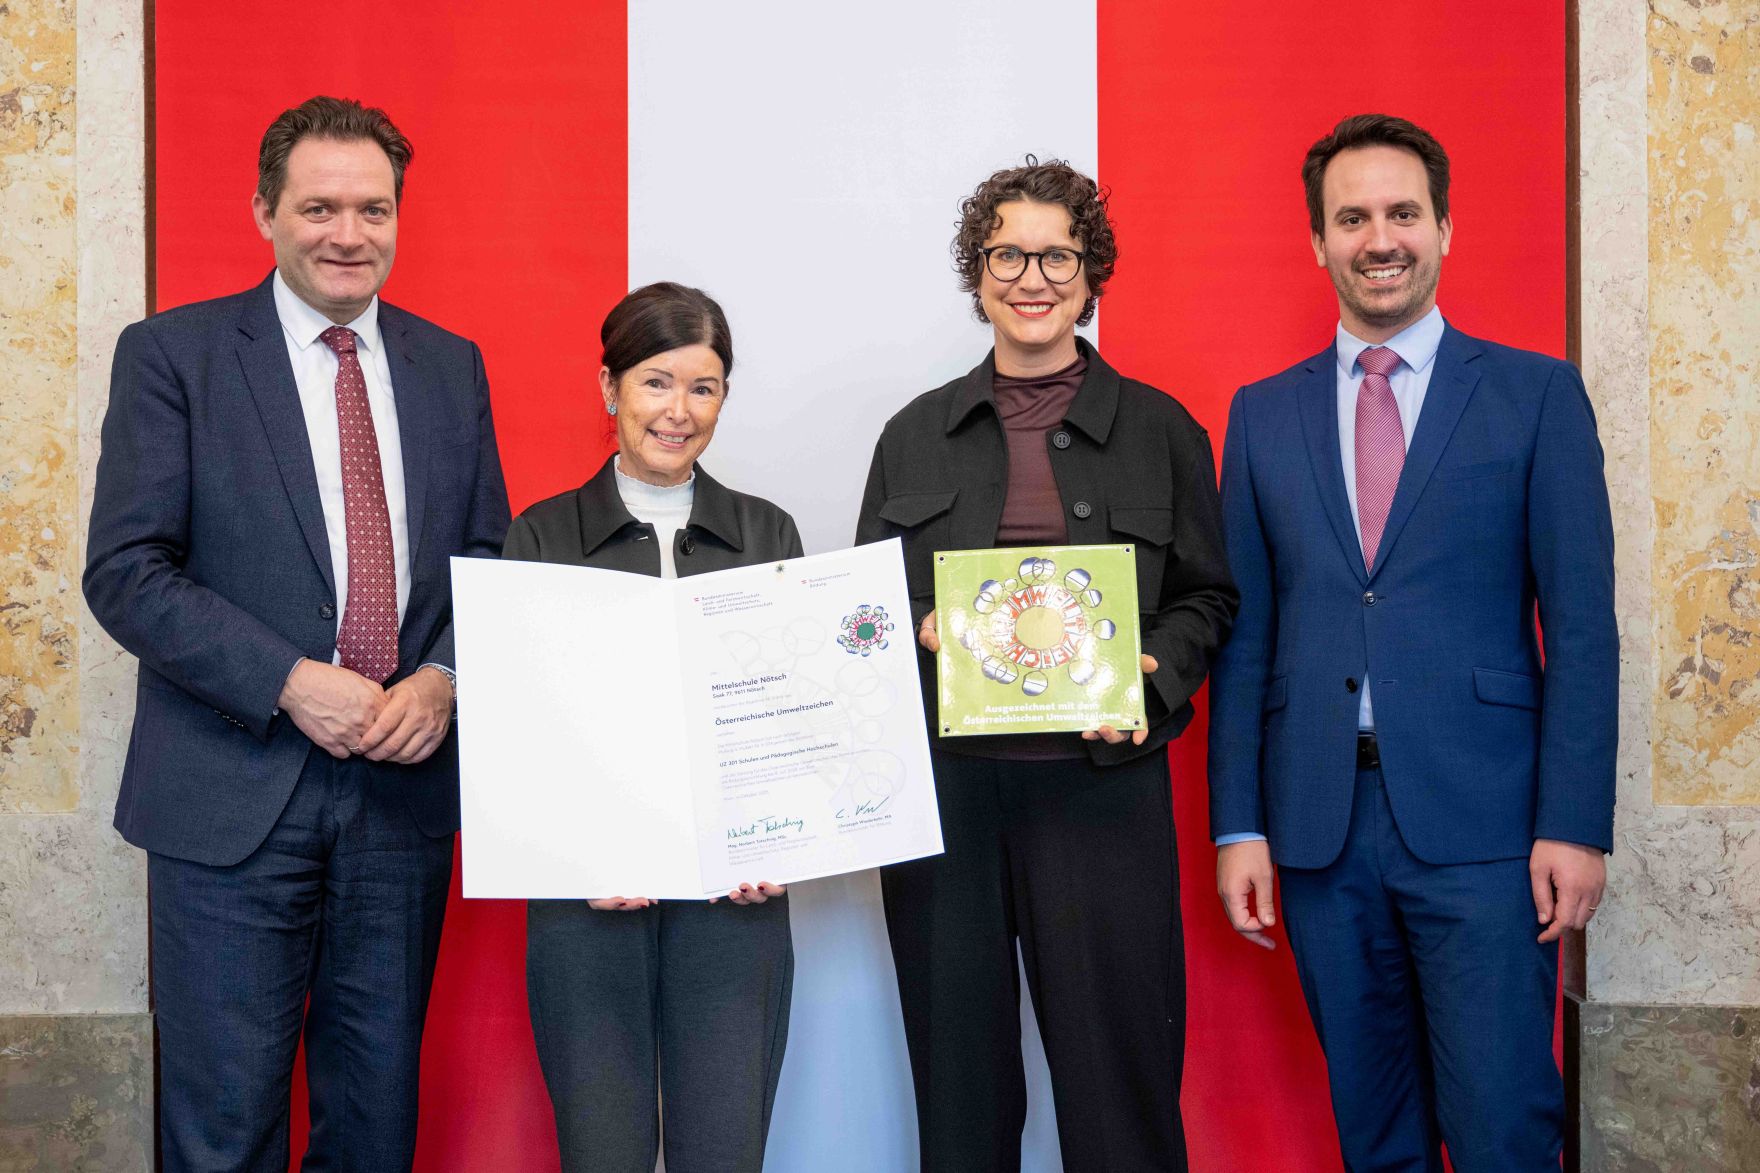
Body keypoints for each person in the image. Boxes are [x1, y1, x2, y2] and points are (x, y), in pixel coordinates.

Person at [82, 96, 510, 1170]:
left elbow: (488, 564)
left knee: (372, 1129)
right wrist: (285, 680)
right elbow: (126, 571)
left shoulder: (449, 366)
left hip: (398, 798)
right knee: (224, 1129)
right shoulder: (173, 356)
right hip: (231, 793)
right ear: (265, 211)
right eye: (319, 207)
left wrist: (445, 677)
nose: (347, 234)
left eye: (373, 209)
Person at [1207, 113, 1616, 1171]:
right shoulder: (1260, 416)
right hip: (1318, 830)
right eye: (1351, 218)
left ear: (1443, 229)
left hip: (1487, 834)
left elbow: (1578, 626)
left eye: (1400, 213)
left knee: (1501, 1126)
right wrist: (1235, 826)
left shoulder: (1534, 396)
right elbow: (1245, 635)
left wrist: (1575, 824)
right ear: (1317, 242)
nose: (1376, 237)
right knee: (1373, 1131)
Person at [855, 159, 1238, 1172]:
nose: (1031, 276)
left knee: (1120, 1095)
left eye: (1056, 254)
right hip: (948, 811)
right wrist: (925, 622)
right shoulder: (911, 437)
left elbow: (1208, 596)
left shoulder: (1161, 431)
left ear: (1091, 269)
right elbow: (864, 619)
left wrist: (1152, 669)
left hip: (1101, 797)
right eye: (1006, 254)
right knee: (960, 1096)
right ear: (977, 273)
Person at [504, 282, 799, 1173]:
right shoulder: (542, 535)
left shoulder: (766, 531)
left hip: (732, 902)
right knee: (602, 1152)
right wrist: (578, 851)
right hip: (585, 901)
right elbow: (518, 733)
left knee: (725, 1150)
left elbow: (792, 716)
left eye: (703, 388)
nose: (679, 411)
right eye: (656, 383)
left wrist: (775, 837)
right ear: (610, 389)